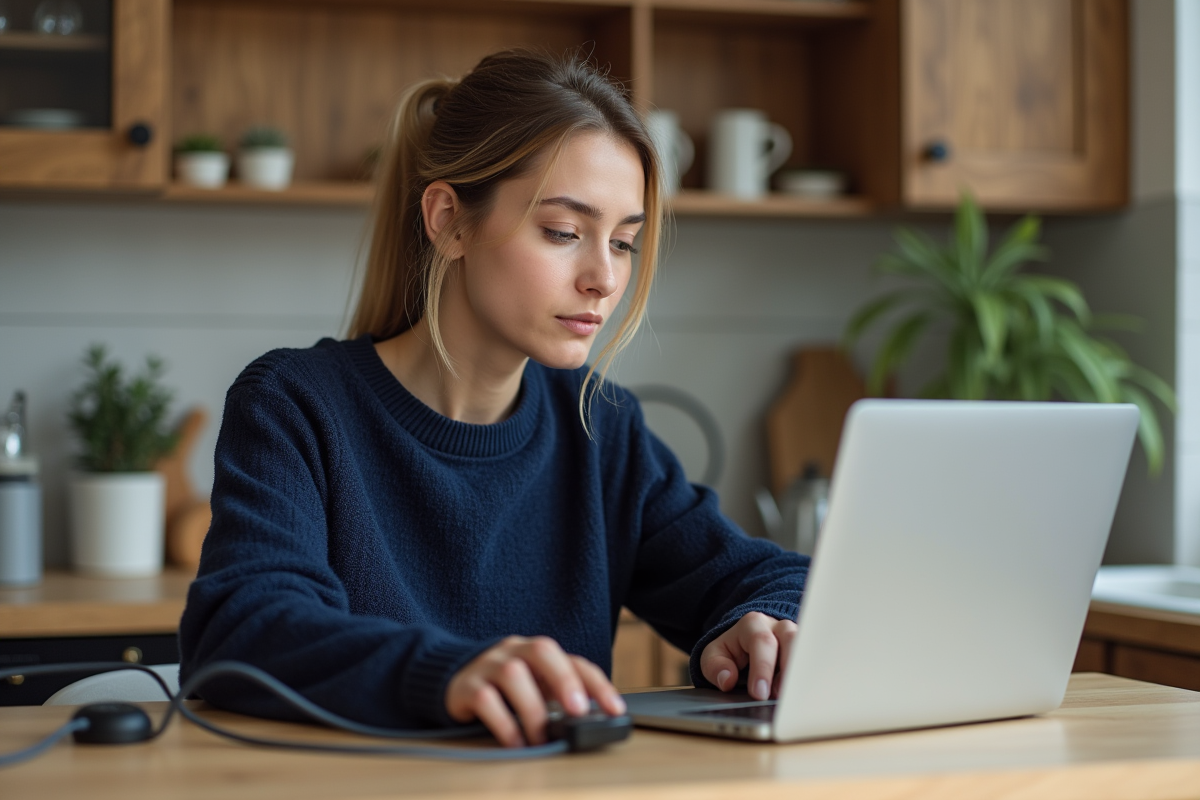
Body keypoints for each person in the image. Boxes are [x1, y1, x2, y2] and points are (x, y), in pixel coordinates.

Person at [179, 49, 809, 749]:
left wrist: (763, 621)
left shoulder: (599, 426)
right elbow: (242, 629)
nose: (604, 277)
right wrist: (445, 673)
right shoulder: (296, 405)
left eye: (625, 242)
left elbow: (775, 576)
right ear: (449, 220)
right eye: (564, 233)